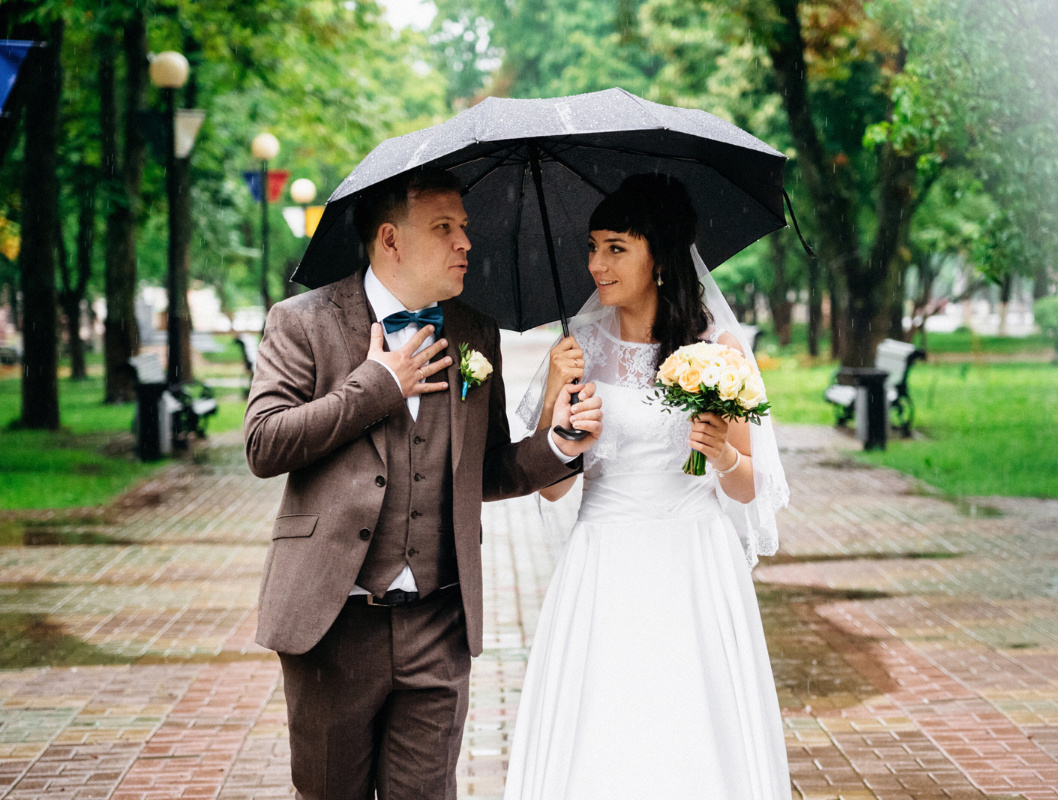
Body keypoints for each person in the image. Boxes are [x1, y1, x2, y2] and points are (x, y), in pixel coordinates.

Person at [243, 168, 603, 800]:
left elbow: (485, 468)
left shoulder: (472, 331)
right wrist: (378, 386)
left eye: (463, 227)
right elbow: (264, 443)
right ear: (391, 239)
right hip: (333, 625)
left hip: (438, 625)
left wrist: (558, 444)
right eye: (444, 228)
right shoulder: (304, 322)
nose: (465, 242)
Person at [504, 173, 792, 799]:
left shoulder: (716, 352)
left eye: (615, 248)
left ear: (659, 257)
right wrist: (567, 432)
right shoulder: (576, 352)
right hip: (605, 555)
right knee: (606, 718)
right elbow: (550, 489)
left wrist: (720, 456)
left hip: (692, 557)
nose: (595, 265)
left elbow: (749, 488)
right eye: (592, 247)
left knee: (691, 718)